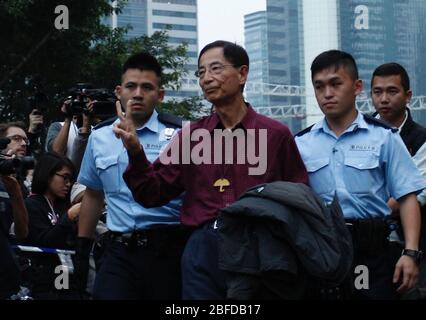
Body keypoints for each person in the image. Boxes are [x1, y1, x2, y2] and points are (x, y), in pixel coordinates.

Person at [114, 40, 309, 299]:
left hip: (259, 248)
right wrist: (136, 151)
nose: (207, 78)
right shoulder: (191, 136)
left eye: (215, 69)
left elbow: (300, 198)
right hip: (202, 248)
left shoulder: (275, 135)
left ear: (242, 74)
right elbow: (152, 192)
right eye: (201, 72)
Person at [295, 50, 425, 299]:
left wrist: (410, 253)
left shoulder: (384, 137)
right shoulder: (301, 143)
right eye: (319, 87)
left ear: (356, 87)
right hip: (320, 248)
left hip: (370, 250)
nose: (327, 93)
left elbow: (408, 197)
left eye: (336, 84)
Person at [75, 52, 186, 300]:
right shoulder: (100, 136)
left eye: (147, 87)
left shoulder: (182, 134)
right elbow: (93, 194)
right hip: (119, 252)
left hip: (168, 252)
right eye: (131, 86)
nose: (137, 94)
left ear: (160, 95)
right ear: (118, 91)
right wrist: (82, 248)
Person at [371, 62, 426, 290]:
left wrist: (363, 208)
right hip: (365, 248)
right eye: (377, 92)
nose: (384, 99)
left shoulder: (422, 139)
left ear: (408, 96)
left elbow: (411, 195)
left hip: (411, 245)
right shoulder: (358, 131)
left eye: (392, 91)